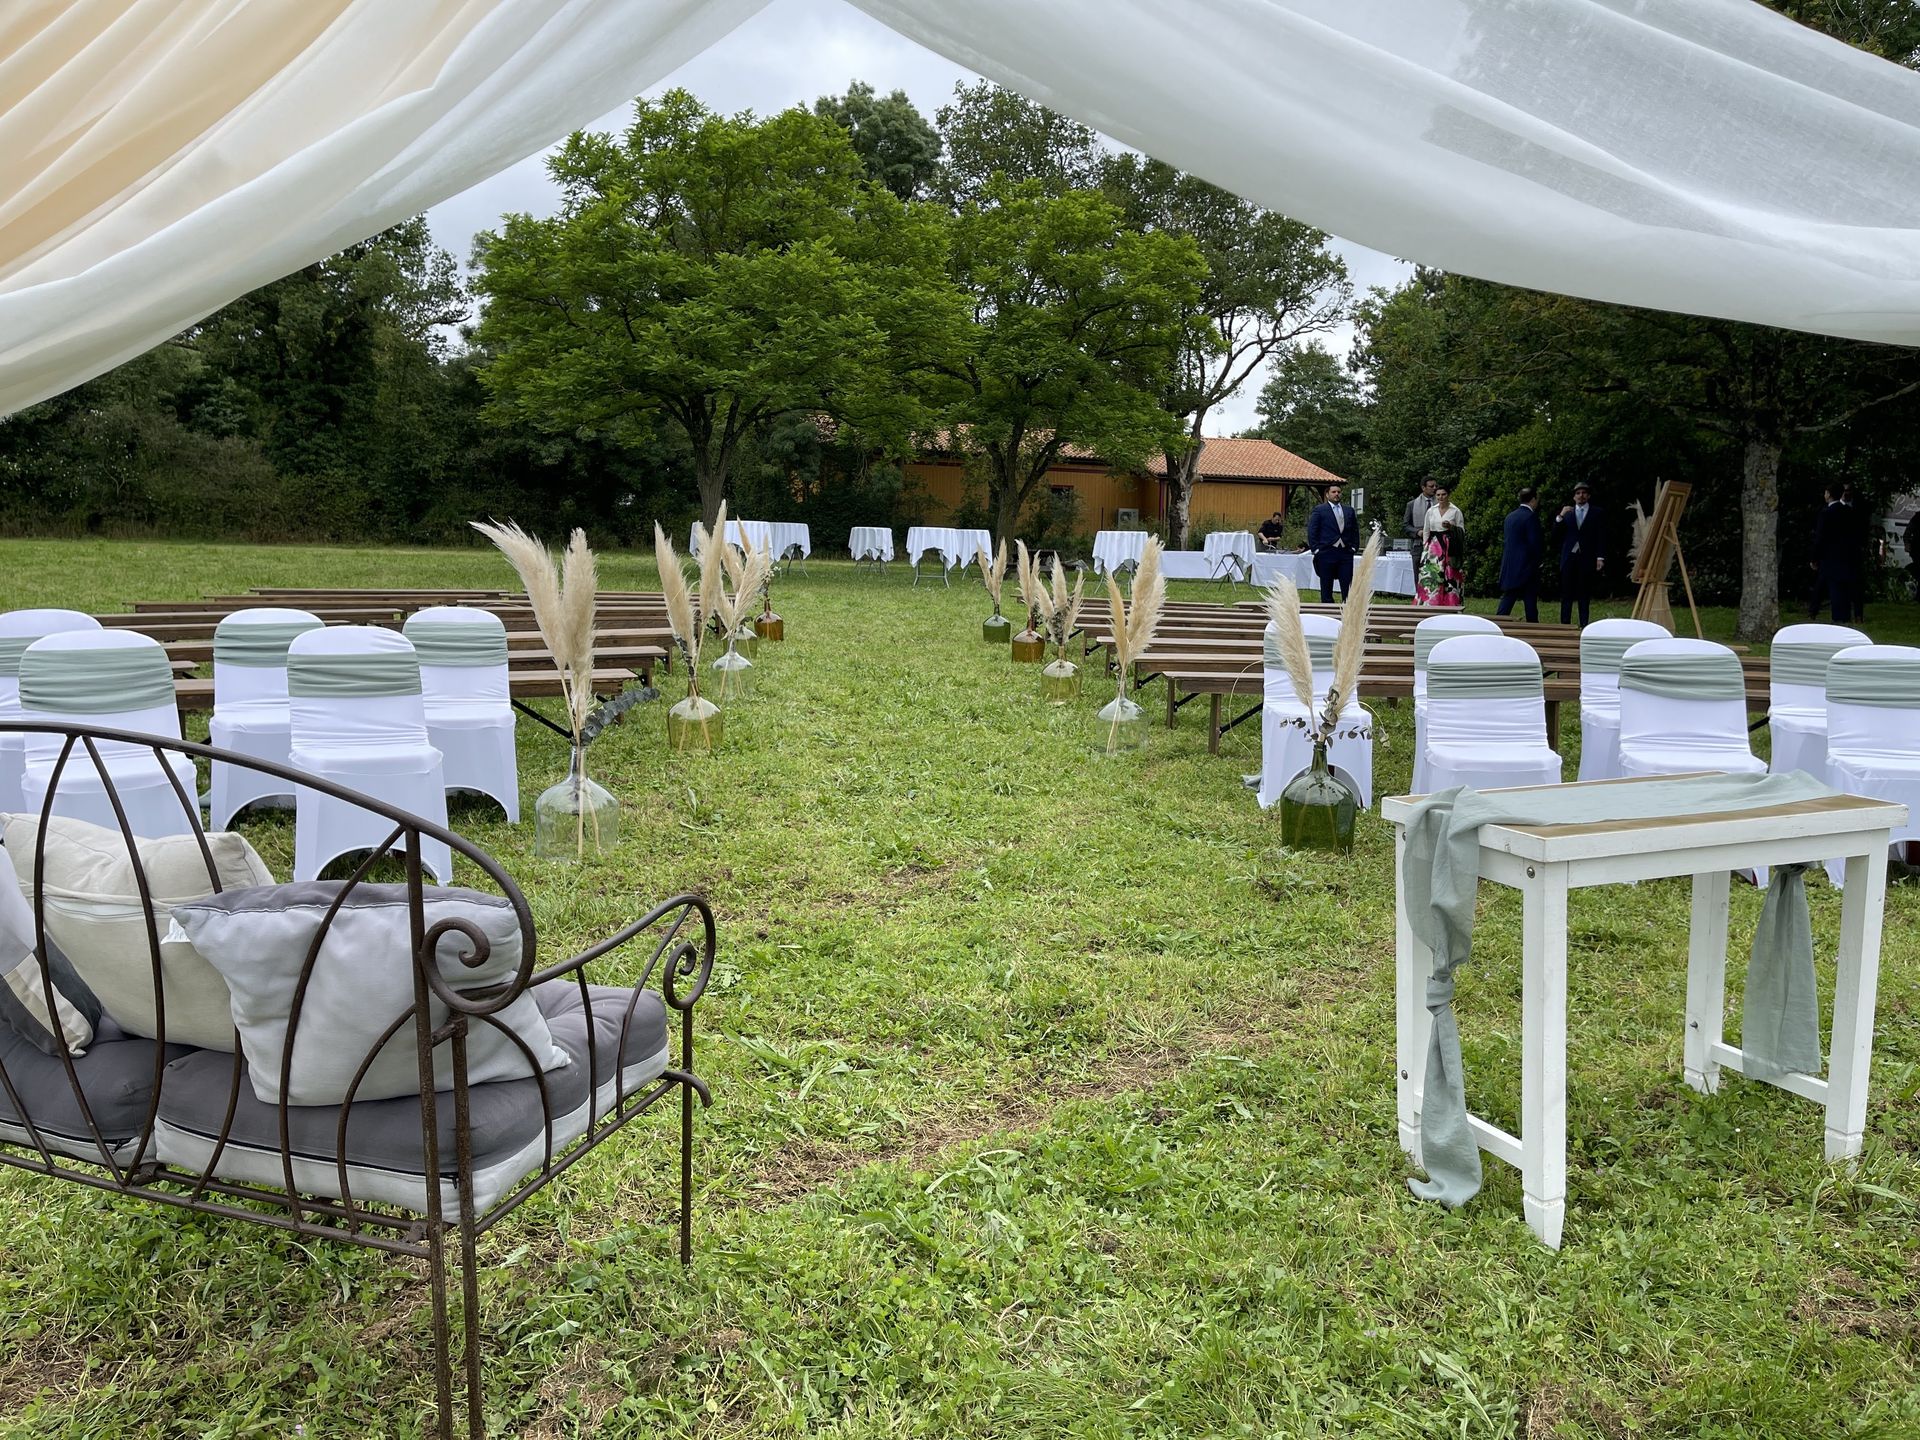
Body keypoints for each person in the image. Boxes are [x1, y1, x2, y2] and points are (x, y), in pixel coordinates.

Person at [1555, 482, 1607, 626]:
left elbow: (1601, 536)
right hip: (1569, 557)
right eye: (1578, 493)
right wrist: (1560, 515)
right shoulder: (1568, 513)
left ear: (1588, 496)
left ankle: (1584, 624)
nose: (1581, 495)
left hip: (1587, 556)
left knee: (1584, 593)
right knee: (1566, 593)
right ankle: (1564, 624)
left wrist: (1600, 557)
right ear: (1574, 496)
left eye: (1584, 493)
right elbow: (1556, 534)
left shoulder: (1597, 512)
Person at [1811, 484, 1860, 623]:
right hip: (1846, 556)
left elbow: (1820, 537)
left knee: (1833, 588)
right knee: (1844, 587)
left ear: (1829, 494)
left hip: (1830, 557)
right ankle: (1845, 615)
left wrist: (1815, 557)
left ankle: (1835, 616)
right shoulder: (1848, 512)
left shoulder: (1826, 513)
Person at [1306, 482, 1360, 602]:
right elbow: (1312, 530)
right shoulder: (1320, 510)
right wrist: (1316, 549)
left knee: (1347, 584)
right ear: (1327, 494)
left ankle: (1348, 609)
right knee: (1326, 584)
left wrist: (1354, 547)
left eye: (1339, 492)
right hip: (1326, 552)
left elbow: (1355, 530)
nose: (1337, 494)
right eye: (1334, 492)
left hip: (1345, 552)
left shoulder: (1349, 510)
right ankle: (1327, 610)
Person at [1497, 488, 1544, 621]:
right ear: (1533, 499)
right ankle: (1533, 628)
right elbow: (1534, 543)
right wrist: (1538, 561)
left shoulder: (1510, 517)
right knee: (1530, 602)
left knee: (1508, 598)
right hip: (1527, 566)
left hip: (1511, 565)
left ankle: (1498, 623)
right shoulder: (1531, 517)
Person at [1416, 485, 1466, 607]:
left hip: (1450, 546)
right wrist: (1425, 546)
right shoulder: (1431, 511)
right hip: (1433, 546)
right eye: (1438, 495)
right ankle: (1430, 601)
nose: (1440, 497)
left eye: (1443, 494)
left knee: (1450, 574)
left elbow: (1462, 531)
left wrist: (1451, 527)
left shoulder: (1456, 511)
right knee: (1431, 574)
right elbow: (1426, 529)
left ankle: (1451, 602)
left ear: (1448, 495)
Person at [1403, 477, 1438, 548]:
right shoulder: (1411, 504)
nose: (1434, 488)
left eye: (1436, 486)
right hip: (1418, 544)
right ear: (1423, 488)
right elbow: (1406, 525)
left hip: (1437, 544)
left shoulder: (1441, 503)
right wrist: (1418, 532)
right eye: (1431, 486)